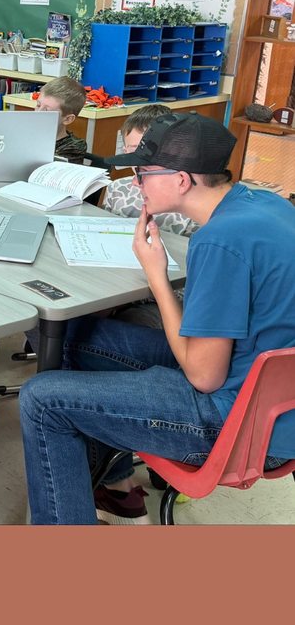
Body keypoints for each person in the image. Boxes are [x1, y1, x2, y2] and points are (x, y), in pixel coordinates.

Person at [18, 113, 295, 525]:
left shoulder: (219, 241)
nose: (135, 183)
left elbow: (205, 377)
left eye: (143, 172)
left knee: (42, 399)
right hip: (271, 400)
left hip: (242, 425)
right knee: (67, 333)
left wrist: (156, 275)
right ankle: (109, 482)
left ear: (182, 180)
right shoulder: (267, 204)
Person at [102, 104, 197, 329]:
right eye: (134, 151)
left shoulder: (189, 204)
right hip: (114, 283)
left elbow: (187, 282)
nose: (141, 161)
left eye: (149, 152)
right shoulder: (117, 189)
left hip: (161, 297)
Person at [33, 77, 87, 162]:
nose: (37, 113)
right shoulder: (27, 133)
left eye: (47, 110)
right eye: (38, 105)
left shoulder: (73, 147)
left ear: (68, 119)